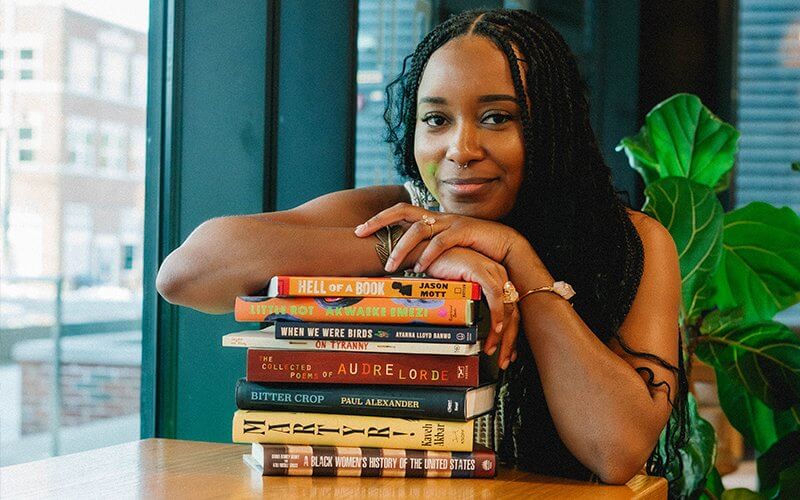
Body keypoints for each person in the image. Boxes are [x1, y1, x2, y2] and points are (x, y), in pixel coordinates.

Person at [156, 9, 687, 487]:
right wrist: (415, 250)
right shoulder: (392, 213)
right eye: (436, 119)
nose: (460, 149)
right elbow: (184, 275)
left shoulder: (633, 244)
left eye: (498, 117)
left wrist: (519, 261)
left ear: (553, 126)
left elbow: (615, 451)